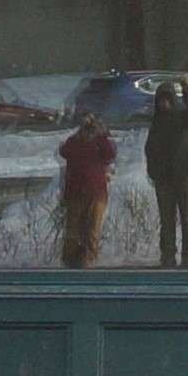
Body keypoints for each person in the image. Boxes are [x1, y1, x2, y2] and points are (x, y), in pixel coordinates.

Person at [145, 76, 188, 269]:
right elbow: (150, 149)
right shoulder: (157, 123)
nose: (164, 103)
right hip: (165, 178)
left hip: (187, 175)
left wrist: (186, 88)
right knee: (167, 221)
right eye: (161, 100)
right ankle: (168, 257)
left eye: (167, 99)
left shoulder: (184, 118)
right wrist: (154, 172)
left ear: (173, 100)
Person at [54, 107, 117, 268]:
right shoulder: (75, 141)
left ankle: (88, 259)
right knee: (75, 229)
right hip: (78, 190)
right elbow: (64, 151)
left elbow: (110, 154)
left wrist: (100, 135)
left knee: (91, 229)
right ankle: (71, 259)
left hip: (95, 191)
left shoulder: (100, 142)